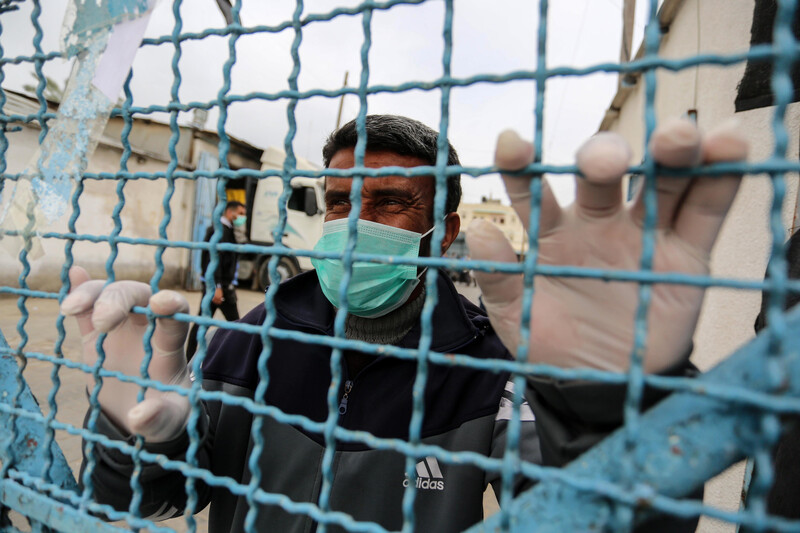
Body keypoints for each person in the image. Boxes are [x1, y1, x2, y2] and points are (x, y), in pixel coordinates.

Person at [62, 115, 748, 532]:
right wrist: (125, 427)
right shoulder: (256, 341)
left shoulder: (488, 373)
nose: (355, 226)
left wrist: (606, 407)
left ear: (443, 230)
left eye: (389, 202)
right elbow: (145, 499)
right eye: (339, 202)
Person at [186, 200, 247, 360]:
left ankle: (189, 358)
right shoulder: (218, 230)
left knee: (204, 323)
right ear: (229, 212)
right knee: (235, 326)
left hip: (221, 286)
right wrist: (217, 286)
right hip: (219, 288)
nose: (242, 217)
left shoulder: (228, 229)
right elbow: (213, 261)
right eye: (240, 214)